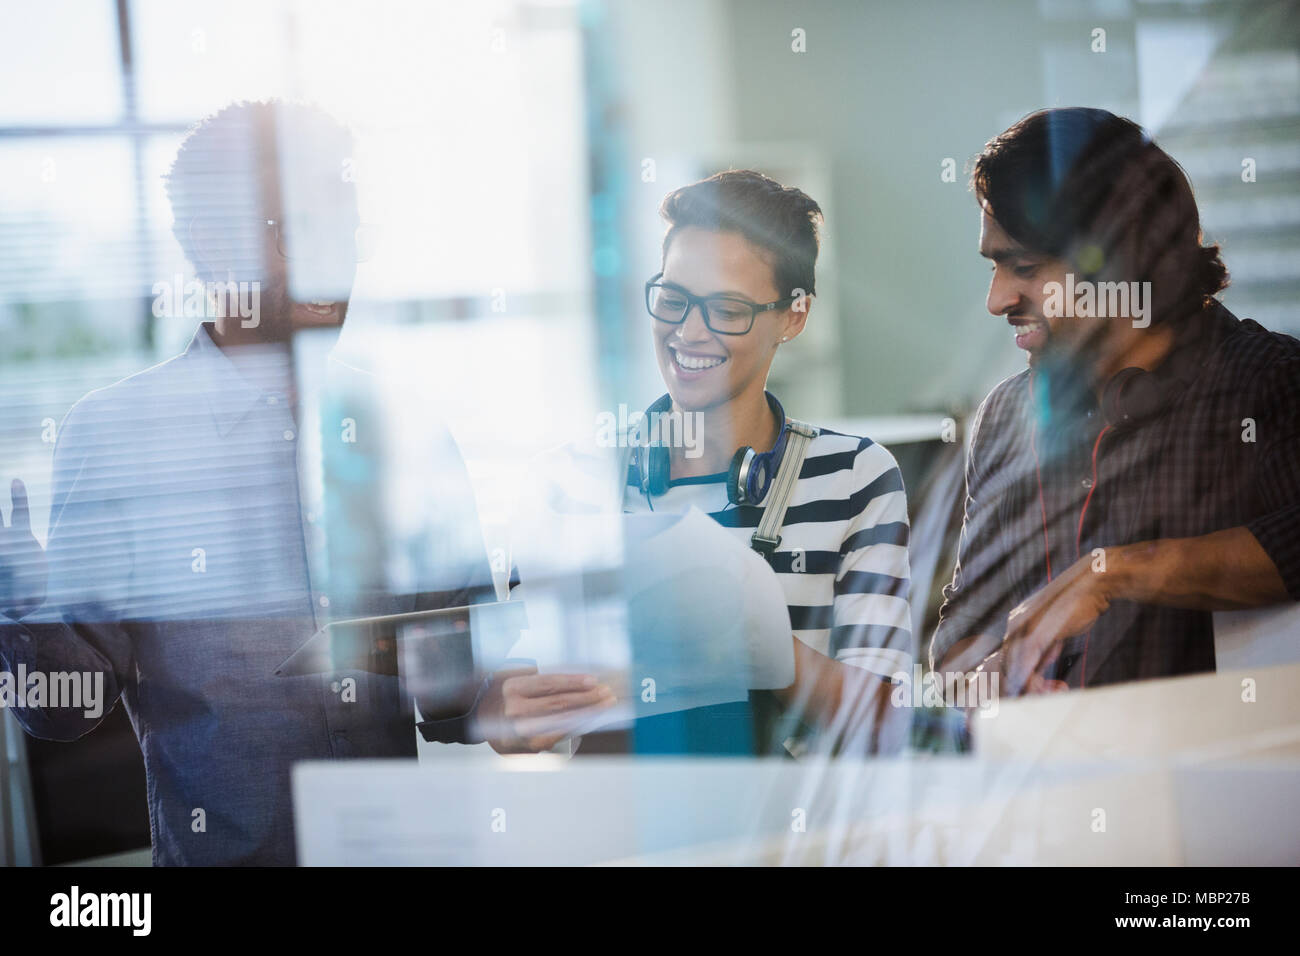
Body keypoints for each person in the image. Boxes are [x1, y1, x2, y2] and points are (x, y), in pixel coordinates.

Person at [0, 100, 491, 864]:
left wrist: (525, 688)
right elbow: (69, 713)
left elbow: (455, 699)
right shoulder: (119, 435)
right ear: (207, 243)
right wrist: (23, 607)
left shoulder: (407, 425)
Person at [482, 170, 914, 756]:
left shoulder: (857, 475)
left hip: (784, 837)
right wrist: (508, 707)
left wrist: (759, 642)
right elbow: (502, 699)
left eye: (728, 308)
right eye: (674, 299)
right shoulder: (569, 478)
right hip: (622, 832)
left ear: (794, 316)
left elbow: (885, 721)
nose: (689, 331)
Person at [930, 108, 1300, 696]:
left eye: (1023, 266)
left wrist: (1114, 573)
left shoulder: (1270, 382)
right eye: (995, 265)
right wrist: (988, 681)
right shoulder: (1006, 415)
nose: (997, 299)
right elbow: (959, 634)